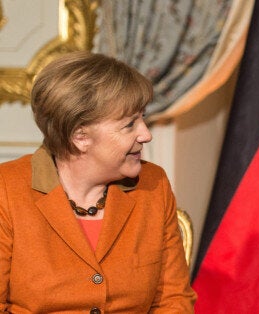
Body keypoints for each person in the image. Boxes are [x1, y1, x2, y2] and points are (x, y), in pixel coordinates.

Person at [0, 51, 196, 312]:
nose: (146, 134)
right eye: (129, 125)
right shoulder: (7, 190)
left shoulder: (153, 185)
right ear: (80, 136)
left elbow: (174, 301)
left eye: (142, 118)